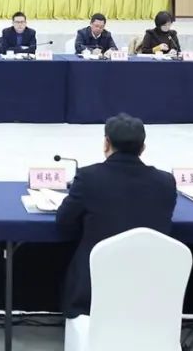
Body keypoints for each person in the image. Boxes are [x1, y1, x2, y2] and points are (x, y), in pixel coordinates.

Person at [55, 113, 177, 318]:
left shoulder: (88, 178)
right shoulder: (165, 182)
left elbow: (64, 223)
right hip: (149, 291)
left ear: (106, 143)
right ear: (142, 148)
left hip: (92, 294)